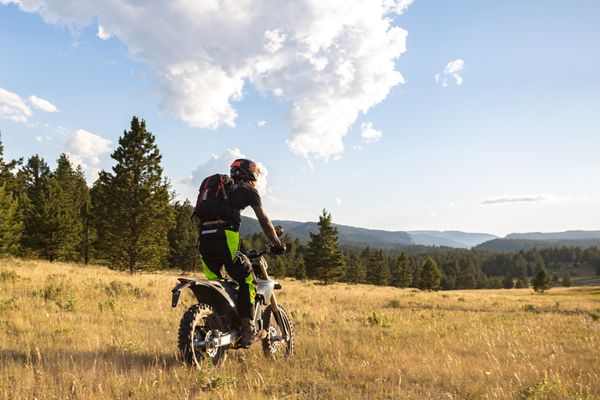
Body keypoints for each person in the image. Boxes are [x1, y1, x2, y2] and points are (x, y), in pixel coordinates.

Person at [198, 158, 285, 347]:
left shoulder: (221, 190)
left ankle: (220, 324)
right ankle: (248, 330)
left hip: (204, 237)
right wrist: (276, 242)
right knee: (246, 279)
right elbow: (264, 219)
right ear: (251, 173)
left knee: (217, 283)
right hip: (226, 237)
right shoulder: (246, 189)